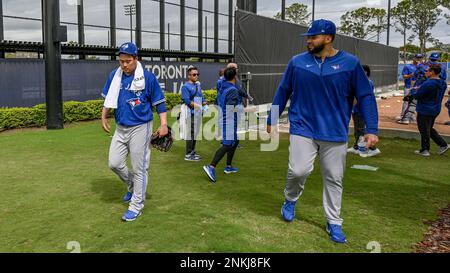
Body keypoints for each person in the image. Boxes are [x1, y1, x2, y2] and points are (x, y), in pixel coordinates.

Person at [267, 19, 379, 244]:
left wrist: (372, 129)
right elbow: (283, 90)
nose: (309, 41)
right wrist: (272, 118)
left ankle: (334, 222)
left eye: (313, 37)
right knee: (298, 171)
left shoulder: (350, 63)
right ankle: (290, 199)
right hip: (302, 127)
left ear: (328, 38)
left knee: (334, 178)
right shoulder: (297, 62)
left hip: (335, 131)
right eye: (308, 37)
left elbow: (366, 96)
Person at [101, 42, 168, 222]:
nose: (124, 65)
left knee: (139, 168)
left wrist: (163, 124)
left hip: (141, 126)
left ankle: (136, 206)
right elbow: (108, 99)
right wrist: (104, 116)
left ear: (136, 59)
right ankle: (131, 185)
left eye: (128, 61)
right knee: (114, 163)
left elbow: (160, 103)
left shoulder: (147, 78)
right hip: (120, 127)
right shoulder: (114, 76)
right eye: (121, 61)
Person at [203, 67, 241, 183]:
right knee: (227, 144)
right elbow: (231, 108)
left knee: (235, 141)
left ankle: (228, 166)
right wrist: (248, 110)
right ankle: (211, 166)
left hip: (225, 118)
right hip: (228, 120)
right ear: (235, 77)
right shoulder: (232, 90)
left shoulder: (224, 88)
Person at [411, 65, 449, 157]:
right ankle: (443, 144)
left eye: (427, 70)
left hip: (425, 109)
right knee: (428, 128)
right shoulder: (442, 83)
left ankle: (425, 150)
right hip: (435, 108)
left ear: (432, 72)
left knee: (423, 129)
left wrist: (413, 91)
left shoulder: (429, 83)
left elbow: (417, 95)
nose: (426, 72)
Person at [348, 65, 381, 157]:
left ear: (366, 72)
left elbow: (364, 97)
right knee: (357, 130)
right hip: (356, 109)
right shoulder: (358, 82)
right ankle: (356, 147)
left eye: (363, 71)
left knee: (360, 130)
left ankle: (372, 148)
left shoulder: (367, 82)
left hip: (360, 110)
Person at [181, 66, 207, 162]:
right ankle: (188, 154)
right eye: (194, 74)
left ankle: (192, 152)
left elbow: (201, 96)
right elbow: (187, 100)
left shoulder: (197, 85)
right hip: (190, 113)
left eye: (197, 74)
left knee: (195, 134)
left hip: (198, 113)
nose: (196, 76)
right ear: (189, 76)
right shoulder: (185, 86)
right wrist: (199, 105)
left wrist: (204, 102)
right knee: (191, 134)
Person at [397, 54, 423, 124]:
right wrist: (411, 75)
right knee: (406, 101)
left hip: (417, 88)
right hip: (408, 86)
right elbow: (404, 76)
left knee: (414, 103)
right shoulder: (408, 66)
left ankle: (412, 118)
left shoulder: (422, 67)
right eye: (417, 58)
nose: (418, 59)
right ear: (414, 58)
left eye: (420, 58)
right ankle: (403, 116)